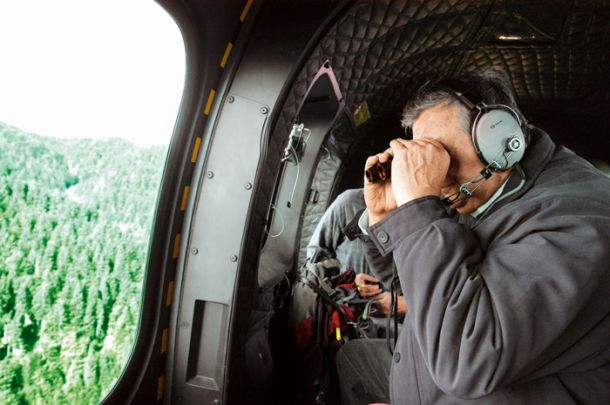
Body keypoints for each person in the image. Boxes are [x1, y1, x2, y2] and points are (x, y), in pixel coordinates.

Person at [335, 69, 610, 405]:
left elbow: (467, 356)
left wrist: (420, 211)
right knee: (351, 356)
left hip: (463, 375)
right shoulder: (483, 194)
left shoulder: (580, 223)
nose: (435, 176)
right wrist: (388, 217)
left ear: (500, 140)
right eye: (426, 156)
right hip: (429, 374)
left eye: (443, 155)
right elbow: (416, 288)